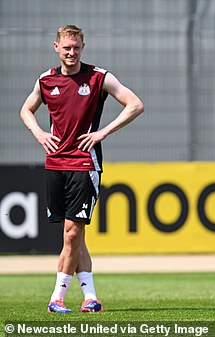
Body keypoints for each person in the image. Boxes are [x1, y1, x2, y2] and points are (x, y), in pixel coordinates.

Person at [20, 24, 144, 313]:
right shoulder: (46, 80)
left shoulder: (98, 77)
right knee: (73, 234)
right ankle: (91, 297)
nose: (71, 53)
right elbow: (26, 110)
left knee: (73, 233)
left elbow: (135, 104)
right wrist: (39, 133)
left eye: (76, 47)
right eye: (66, 48)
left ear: (82, 47)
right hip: (55, 164)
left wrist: (102, 133)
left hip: (85, 164)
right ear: (56, 48)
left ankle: (57, 297)